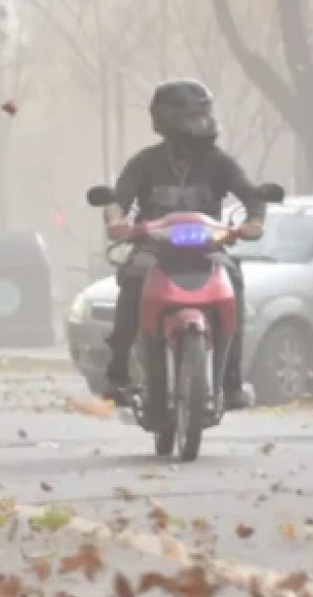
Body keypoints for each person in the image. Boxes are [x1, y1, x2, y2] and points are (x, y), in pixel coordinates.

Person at [101, 78, 266, 409]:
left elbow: (252, 195)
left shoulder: (219, 162)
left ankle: (231, 380)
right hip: (154, 250)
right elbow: (118, 198)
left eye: (203, 114)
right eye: (192, 116)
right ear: (168, 120)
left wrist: (254, 221)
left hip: (207, 250)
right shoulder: (145, 162)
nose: (200, 123)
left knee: (234, 280)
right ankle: (118, 372)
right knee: (133, 280)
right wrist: (116, 221)